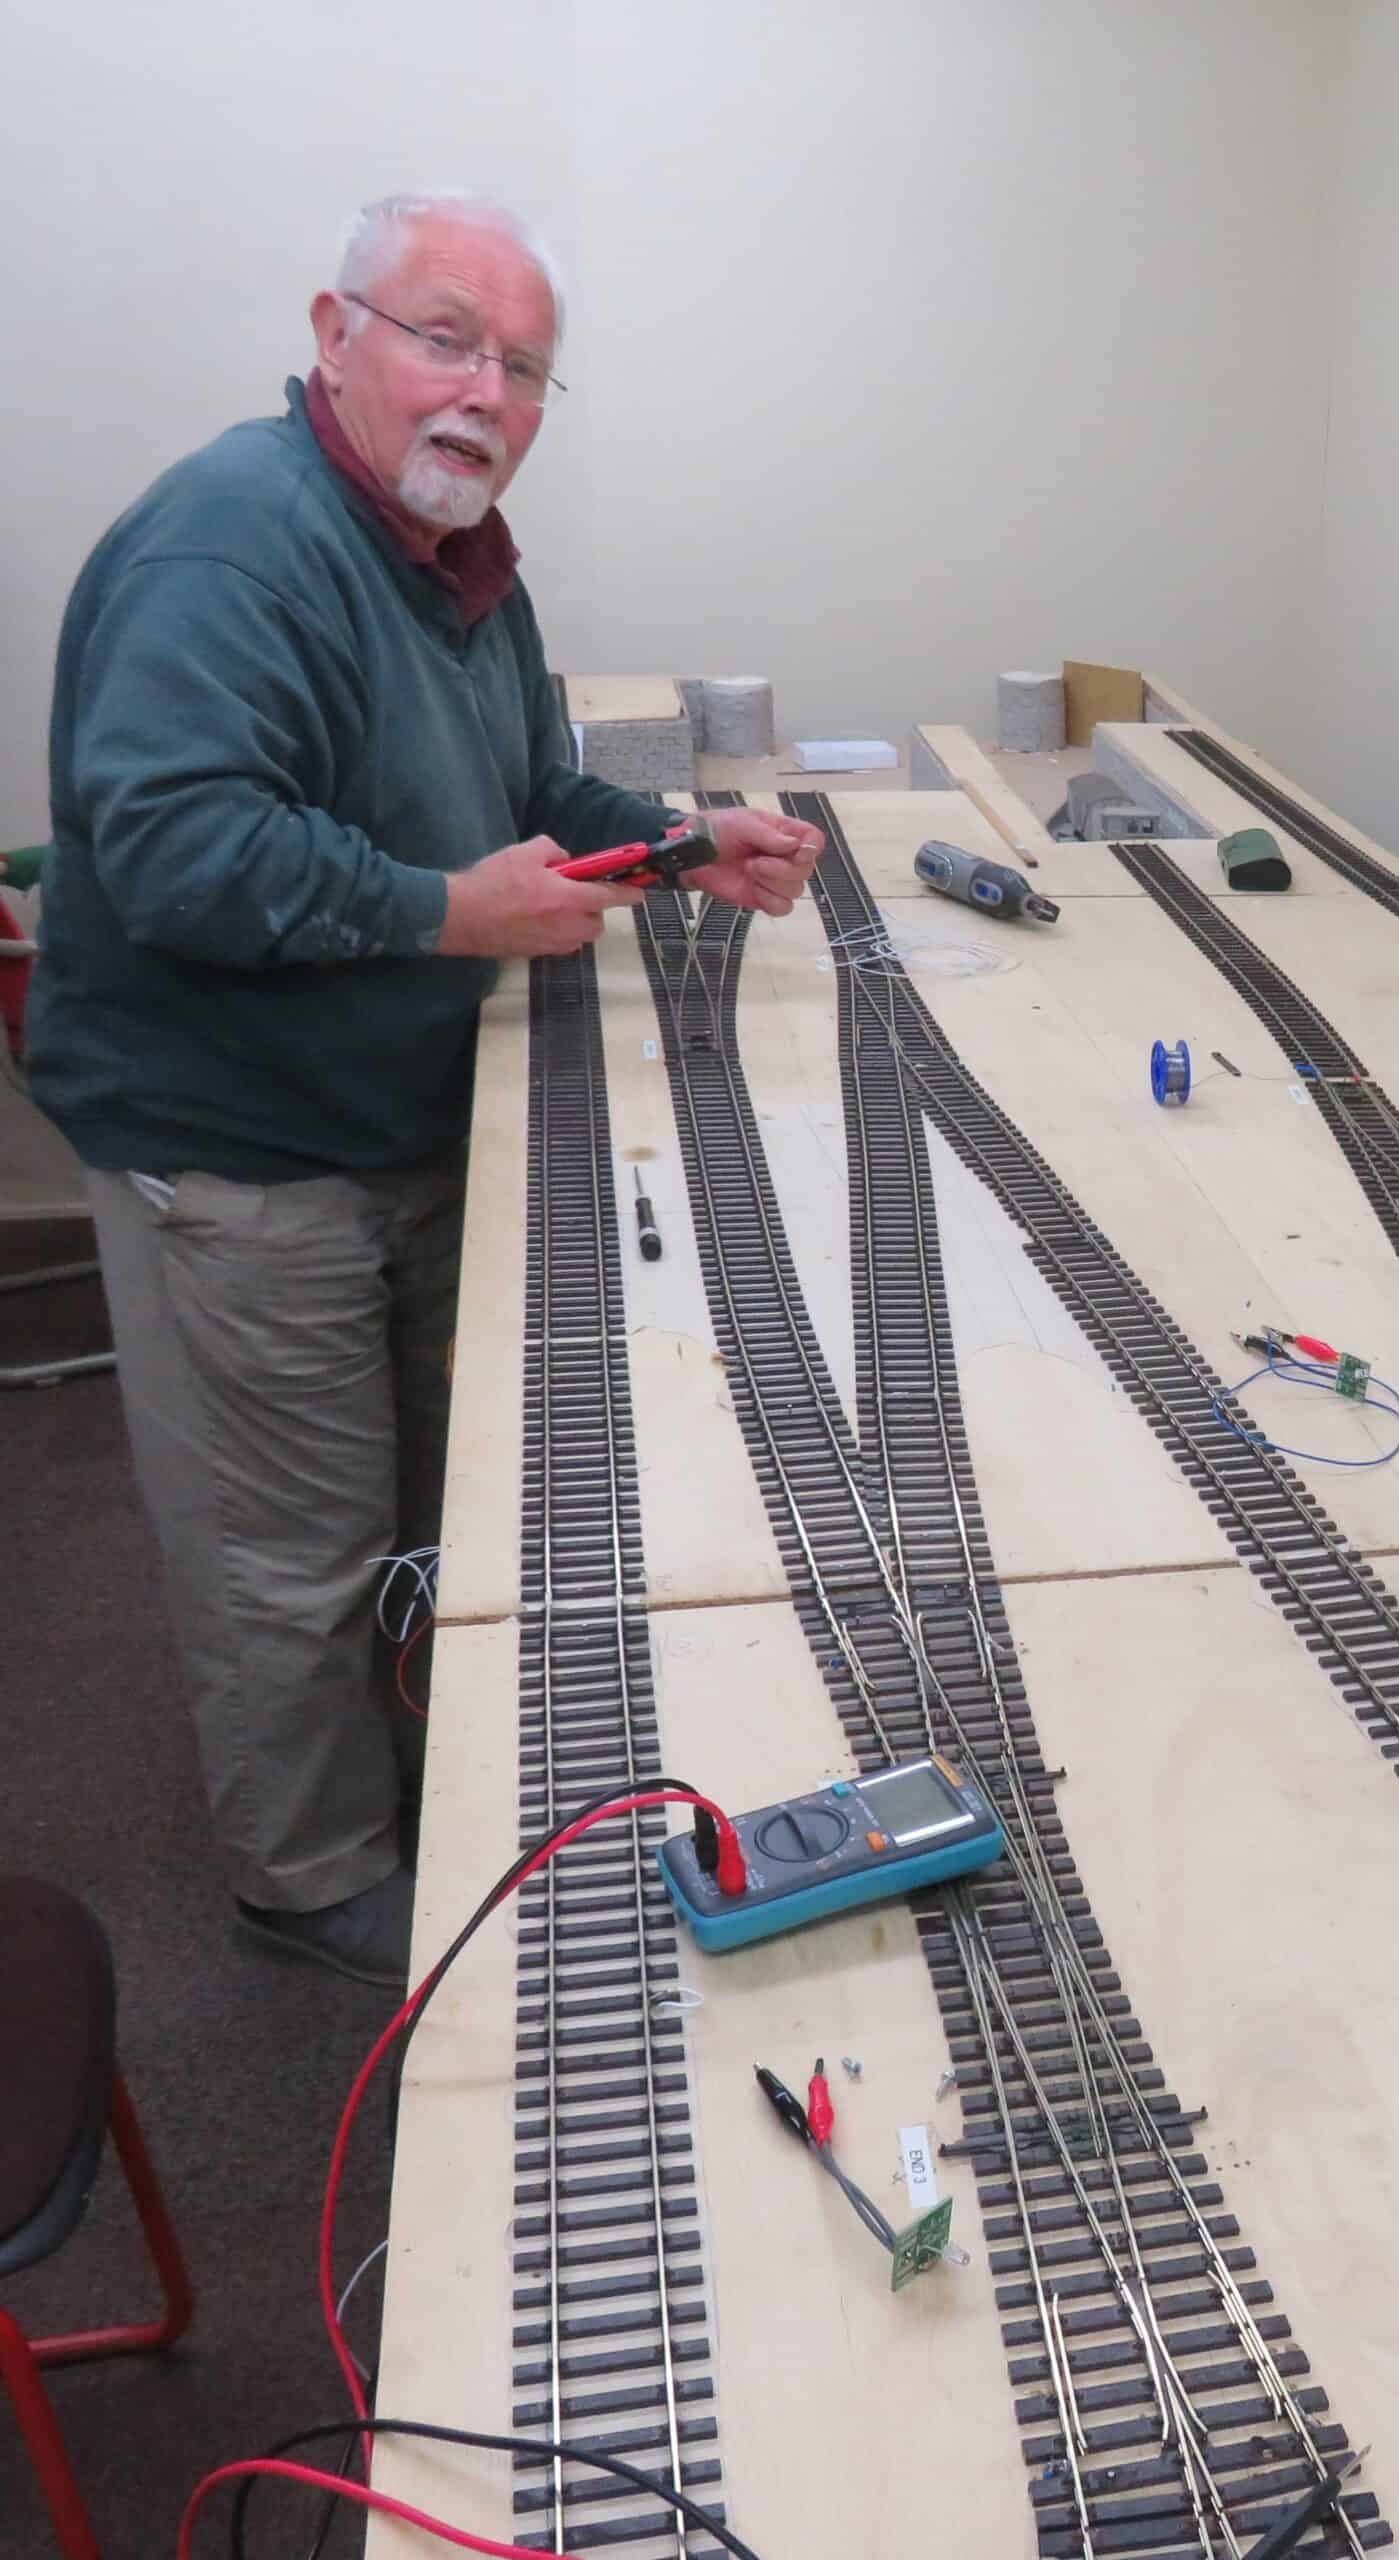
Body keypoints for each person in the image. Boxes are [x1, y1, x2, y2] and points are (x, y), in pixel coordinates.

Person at [28, 191, 824, 1986]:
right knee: (286, 1545)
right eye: (445, 339)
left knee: (405, 1493)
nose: (485, 392)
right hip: (237, 1143)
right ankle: (308, 1878)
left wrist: (679, 846)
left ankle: (410, 1770)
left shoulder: (458, 558)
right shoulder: (232, 549)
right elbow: (174, 851)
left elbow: (525, 787)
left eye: (522, 367)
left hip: (390, 1105)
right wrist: (451, 911)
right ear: (336, 336)